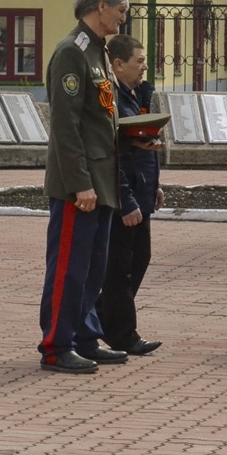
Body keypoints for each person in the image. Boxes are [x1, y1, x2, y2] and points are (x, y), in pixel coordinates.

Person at [38, 0, 131, 374]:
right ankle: (56, 346)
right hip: (82, 187)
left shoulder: (98, 53)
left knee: (94, 270)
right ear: (99, 7)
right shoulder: (71, 53)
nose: (123, 19)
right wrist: (80, 184)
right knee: (69, 269)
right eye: (121, 10)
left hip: (102, 182)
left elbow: (102, 120)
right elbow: (65, 127)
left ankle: (85, 338)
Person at [96, 34, 164, 357]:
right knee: (120, 268)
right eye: (139, 62)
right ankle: (123, 334)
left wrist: (154, 186)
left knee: (140, 258)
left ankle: (100, 316)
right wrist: (126, 200)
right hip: (125, 199)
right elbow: (111, 154)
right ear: (118, 65)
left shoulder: (137, 95)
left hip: (142, 192)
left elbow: (141, 148)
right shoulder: (110, 98)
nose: (144, 68)